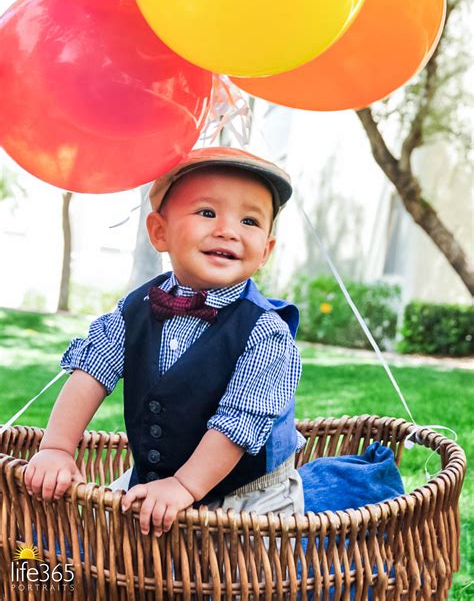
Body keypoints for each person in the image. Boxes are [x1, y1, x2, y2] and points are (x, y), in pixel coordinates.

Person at [24, 146, 305, 537]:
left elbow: (237, 426)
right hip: (155, 480)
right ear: (160, 232)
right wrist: (56, 448)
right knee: (102, 541)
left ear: (266, 252)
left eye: (250, 220)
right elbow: (90, 372)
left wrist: (184, 487)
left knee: (241, 579)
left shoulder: (266, 334)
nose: (229, 230)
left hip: (247, 495)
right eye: (207, 213)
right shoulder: (135, 309)